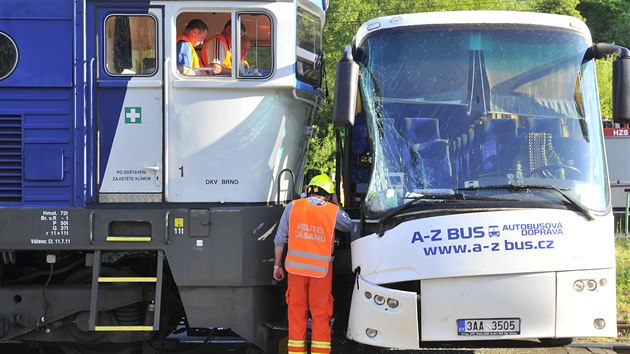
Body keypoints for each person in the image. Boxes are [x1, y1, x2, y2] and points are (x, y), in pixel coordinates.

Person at [273, 174, 352, 354]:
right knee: (320, 313)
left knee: (296, 312)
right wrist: (336, 204)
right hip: (321, 273)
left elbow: (279, 238)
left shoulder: (293, 206)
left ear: (308, 190)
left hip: (295, 270)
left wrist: (277, 265)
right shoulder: (332, 211)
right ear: (329, 195)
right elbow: (348, 226)